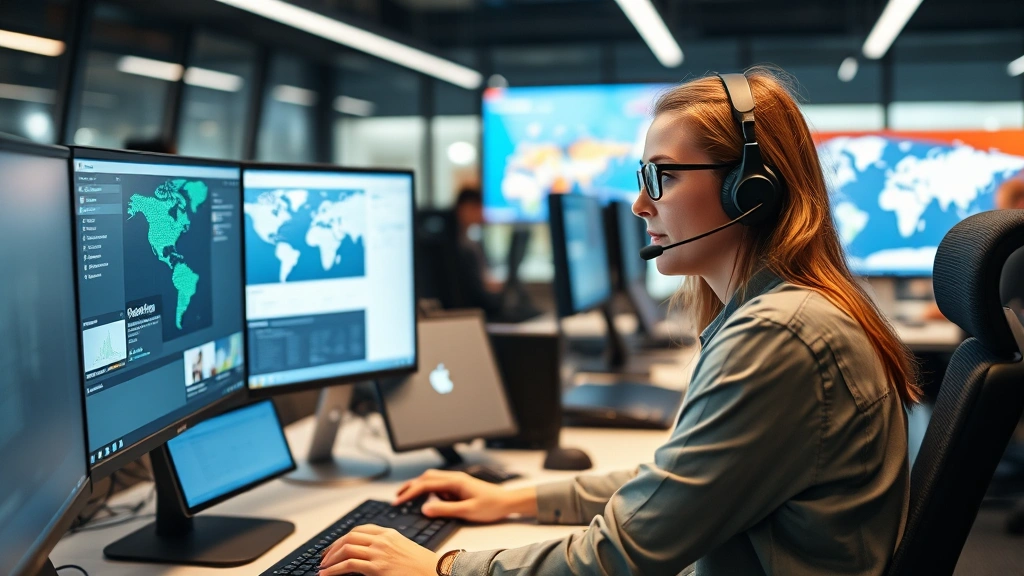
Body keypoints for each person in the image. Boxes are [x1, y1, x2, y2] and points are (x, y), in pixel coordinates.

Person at [316, 67, 920, 576]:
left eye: (664, 175)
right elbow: (677, 488)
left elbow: (628, 550)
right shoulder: (783, 314)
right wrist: (512, 497)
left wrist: (443, 568)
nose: (640, 204)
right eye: (641, 178)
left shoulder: (780, 334)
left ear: (751, 190)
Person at [452, 187, 504, 319]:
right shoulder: (455, 246)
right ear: (464, 208)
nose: (481, 213)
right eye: (477, 208)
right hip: (467, 311)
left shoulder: (473, 241)